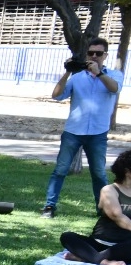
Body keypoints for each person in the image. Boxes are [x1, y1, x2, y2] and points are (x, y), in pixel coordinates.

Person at [43, 37, 123, 218]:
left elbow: (114, 89)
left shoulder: (114, 75)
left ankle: (103, 210)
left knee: (99, 173)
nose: (94, 56)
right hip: (73, 130)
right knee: (60, 170)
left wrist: (99, 74)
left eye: (98, 53)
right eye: (91, 53)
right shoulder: (77, 77)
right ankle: (49, 207)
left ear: (105, 55)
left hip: (98, 132)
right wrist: (67, 73)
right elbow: (56, 95)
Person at [61, 149, 131, 265]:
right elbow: (117, 217)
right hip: (100, 243)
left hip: (124, 245)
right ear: (127, 171)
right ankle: (103, 261)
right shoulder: (109, 190)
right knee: (67, 237)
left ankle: (86, 257)